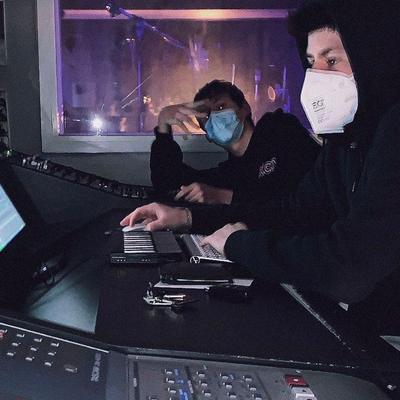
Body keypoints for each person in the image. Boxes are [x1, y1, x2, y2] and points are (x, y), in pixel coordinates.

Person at [121, 0, 400, 325]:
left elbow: (348, 264)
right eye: (312, 63)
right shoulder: (342, 145)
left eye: (332, 60)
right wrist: (188, 217)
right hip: (359, 312)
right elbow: (293, 210)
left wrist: (238, 241)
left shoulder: (287, 132)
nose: (319, 77)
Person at [151, 80, 320, 205]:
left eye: (220, 107)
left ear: (244, 108)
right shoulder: (230, 174)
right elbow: (169, 182)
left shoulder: (280, 130)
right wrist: (163, 126)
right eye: (206, 116)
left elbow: (297, 201)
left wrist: (224, 197)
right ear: (208, 134)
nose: (214, 117)